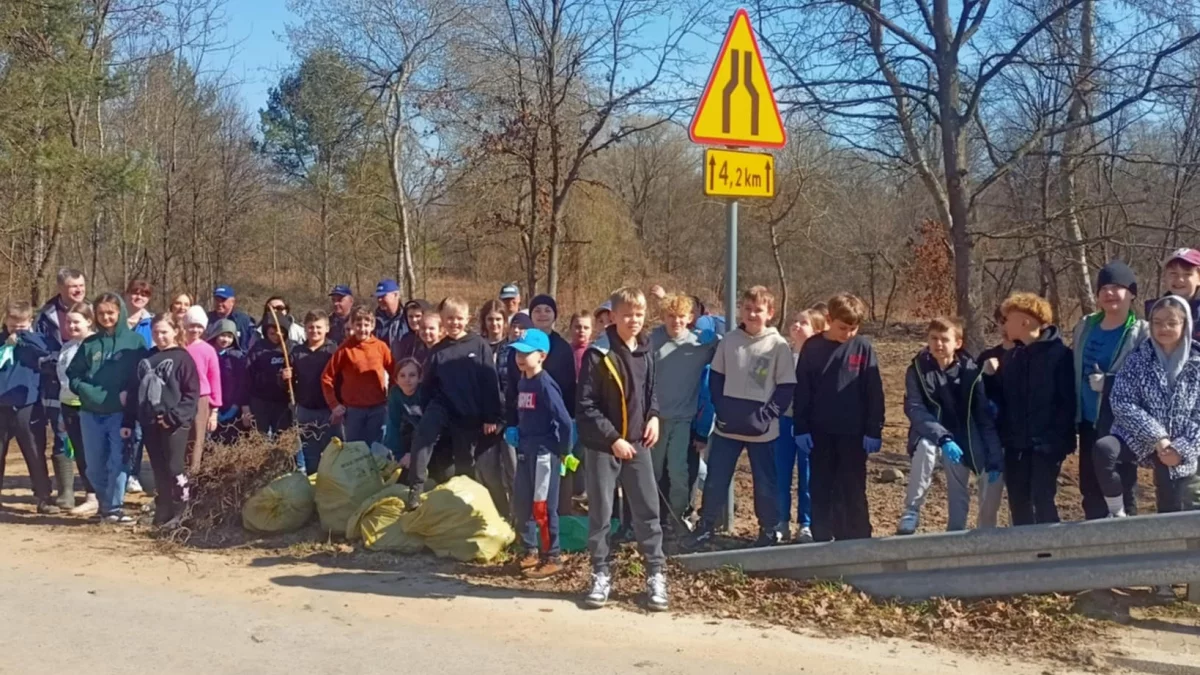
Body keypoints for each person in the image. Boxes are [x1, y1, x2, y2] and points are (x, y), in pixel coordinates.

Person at [577, 287, 666, 612]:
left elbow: (651, 392)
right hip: (604, 447)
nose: (634, 320)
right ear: (612, 317)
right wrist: (613, 438)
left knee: (647, 512)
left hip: (639, 446)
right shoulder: (597, 355)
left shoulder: (647, 348)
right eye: (627, 314)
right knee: (600, 515)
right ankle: (600, 574)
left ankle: (655, 574)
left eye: (639, 315)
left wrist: (654, 417)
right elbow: (585, 406)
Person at [692, 286, 794, 547]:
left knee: (765, 483)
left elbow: (785, 388)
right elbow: (716, 378)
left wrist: (767, 416)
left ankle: (768, 531)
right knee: (716, 479)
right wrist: (722, 409)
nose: (751, 314)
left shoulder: (778, 345)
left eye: (758, 310)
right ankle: (706, 527)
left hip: (763, 430)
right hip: (727, 427)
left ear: (769, 313)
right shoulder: (729, 340)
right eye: (747, 308)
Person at [896, 317, 1004, 535]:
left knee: (962, 484)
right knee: (925, 449)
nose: (938, 344)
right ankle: (911, 511)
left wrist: (994, 455)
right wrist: (942, 437)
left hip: (963, 434)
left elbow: (982, 416)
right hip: (930, 432)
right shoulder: (917, 370)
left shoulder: (971, 372)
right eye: (933, 338)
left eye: (944, 339)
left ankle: (958, 532)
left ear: (958, 343)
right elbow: (915, 409)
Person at [793, 293, 885, 542]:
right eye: (843, 328)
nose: (848, 334)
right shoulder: (813, 348)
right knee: (821, 486)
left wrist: (873, 428)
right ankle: (822, 538)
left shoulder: (862, 347)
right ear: (829, 320)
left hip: (853, 433)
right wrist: (800, 427)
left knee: (853, 487)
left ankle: (857, 539)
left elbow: (873, 391)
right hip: (819, 432)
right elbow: (802, 389)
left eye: (853, 329)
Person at [1103, 296, 1200, 520]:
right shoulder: (1137, 359)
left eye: (1171, 323)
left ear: (1185, 325)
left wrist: (1182, 449)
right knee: (1104, 450)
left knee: (1182, 508)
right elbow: (1122, 401)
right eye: (1157, 322)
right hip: (1149, 442)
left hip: (1186, 446)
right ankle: (1119, 515)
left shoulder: (1196, 362)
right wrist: (1158, 438)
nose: (1163, 328)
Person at [405, 297, 502, 502]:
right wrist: (427, 410)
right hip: (442, 407)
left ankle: (465, 503)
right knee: (423, 434)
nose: (454, 323)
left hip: (469, 412)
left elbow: (490, 381)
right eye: (449, 319)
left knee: (464, 462)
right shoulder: (438, 350)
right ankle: (416, 488)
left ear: (467, 319)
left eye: (459, 319)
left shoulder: (479, 345)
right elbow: (427, 384)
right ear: (442, 319)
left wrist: (491, 416)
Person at [991, 292, 1075, 525]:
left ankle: (1053, 554)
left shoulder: (1060, 356)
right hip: (1016, 447)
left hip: (1047, 447)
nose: (1005, 324)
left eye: (1008, 319)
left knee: (1042, 500)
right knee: (1019, 503)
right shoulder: (1012, 356)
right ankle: (1024, 556)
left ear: (1025, 322)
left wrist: (1053, 442)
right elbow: (1003, 400)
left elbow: (1067, 403)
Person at [1072, 261, 1148, 519]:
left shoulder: (1141, 333)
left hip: (1121, 424)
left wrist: (1110, 382)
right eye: (1104, 287)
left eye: (1118, 287)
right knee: (1090, 490)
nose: (1110, 293)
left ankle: (1129, 549)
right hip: (1088, 420)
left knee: (1121, 487)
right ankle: (1095, 553)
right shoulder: (1085, 326)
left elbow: (1146, 379)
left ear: (1132, 293)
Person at [66, 293, 147, 524]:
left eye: (110, 313)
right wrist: (85, 390)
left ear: (120, 312)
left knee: (118, 462)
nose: (106, 317)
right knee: (93, 466)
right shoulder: (90, 344)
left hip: (120, 413)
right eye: (101, 314)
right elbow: (73, 375)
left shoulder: (135, 342)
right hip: (91, 413)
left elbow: (142, 375)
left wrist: (130, 395)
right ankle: (104, 505)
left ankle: (113, 508)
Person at [508, 328, 573, 579]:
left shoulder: (545, 384)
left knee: (542, 506)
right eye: (517, 353)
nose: (520, 358)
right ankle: (529, 550)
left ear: (542, 356)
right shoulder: (523, 380)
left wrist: (564, 451)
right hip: (525, 450)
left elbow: (565, 421)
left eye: (527, 353)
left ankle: (552, 556)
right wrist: (516, 430)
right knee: (522, 502)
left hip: (545, 453)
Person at [122, 315, 199, 526]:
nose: (160, 336)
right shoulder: (147, 358)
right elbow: (134, 391)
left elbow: (191, 395)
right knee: (159, 468)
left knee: (175, 467)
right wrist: (129, 421)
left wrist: (173, 417)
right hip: (149, 422)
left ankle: (183, 509)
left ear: (175, 331)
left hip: (174, 423)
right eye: (156, 332)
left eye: (164, 332)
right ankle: (163, 507)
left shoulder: (183, 358)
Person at [650, 294, 718, 524]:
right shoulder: (652, 340)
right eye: (671, 316)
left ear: (690, 318)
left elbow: (727, 344)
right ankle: (650, 519)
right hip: (655, 419)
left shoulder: (701, 343)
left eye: (681, 316)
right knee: (652, 472)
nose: (676, 321)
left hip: (683, 420)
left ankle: (677, 518)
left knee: (678, 473)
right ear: (663, 317)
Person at [34, 268, 87, 508]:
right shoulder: (45, 316)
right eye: (73, 286)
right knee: (62, 434)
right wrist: (58, 360)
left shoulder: (91, 311)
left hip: (89, 388)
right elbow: (38, 349)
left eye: (82, 286)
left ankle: (93, 490)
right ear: (61, 289)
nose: (79, 290)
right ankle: (66, 491)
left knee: (90, 439)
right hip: (57, 387)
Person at [0, 301, 56, 513]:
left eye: (21, 325)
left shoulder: (40, 341)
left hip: (28, 405)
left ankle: (43, 496)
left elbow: (51, 358)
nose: (17, 329)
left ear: (30, 321)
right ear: (5, 320)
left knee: (34, 451)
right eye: (12, 324)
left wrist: (24, 341)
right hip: (1, 406)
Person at [775, 308, 824, 542]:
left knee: (807, 474)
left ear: (816, 330)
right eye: (795, 321)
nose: (796, 325)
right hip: (783, 421)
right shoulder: (782, 353)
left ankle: (806, 523)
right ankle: (780, 521)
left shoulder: (820, 359)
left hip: (810, 425)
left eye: (803, 323)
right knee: (780, 473)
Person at [321, 306, 393, 445]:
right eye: (358, 325)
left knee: (377, 450)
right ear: (352, 325)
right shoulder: (345, 348)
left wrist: (392, 398)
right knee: (355, 451)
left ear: (372, 326)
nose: (362, 329)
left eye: (366, 325)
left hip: (378, 408)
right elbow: (327, 377)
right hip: (354, 411)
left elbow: (395, 373)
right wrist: (334, 405)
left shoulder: (381, 347)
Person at [57, 302, 99, 515]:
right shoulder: (67, 346)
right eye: (68, 322)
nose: (71, 326)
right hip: (67, 405)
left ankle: (99, 495)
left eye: (76, 322)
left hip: (88, 406)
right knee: (79, 453)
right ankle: (90, 496)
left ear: (89, 321)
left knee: (92, 453)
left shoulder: (95, 345)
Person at [477, 299, 517, 519]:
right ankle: (502, 514)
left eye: (498, 319)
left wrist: (503, 415)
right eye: (490, 319)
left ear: (505, 321)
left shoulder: (512, 349)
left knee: (513, 471)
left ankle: (519, 519)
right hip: (483, 421)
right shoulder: (476, 346)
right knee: (488, 471)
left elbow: (512, 385)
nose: (494, 324)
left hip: (508, 418)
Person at [290, 310, 339, 473]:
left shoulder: (333, 351)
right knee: (310, 454)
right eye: (310, 327)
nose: (315, 331)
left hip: (328, 410)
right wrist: (284, 377)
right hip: (306, 410)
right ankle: (313, 487)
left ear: (327, 328)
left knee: (332, 453)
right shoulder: (297, 352)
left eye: (319, 327)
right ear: (305, 329)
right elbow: (287, 385)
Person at [181, 306, 221, 472]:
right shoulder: (179, 347)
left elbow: (215, 379)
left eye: (199, 326)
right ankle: (177, 475)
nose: (195, 330)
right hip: (179, 396)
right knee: (179, 437)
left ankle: (192, 475)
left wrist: (214, 411)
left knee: (197, 439)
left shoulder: (208, 350)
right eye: (191, 325)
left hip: (201, 399)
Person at [244, 309, 295, 438]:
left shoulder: (291, 348)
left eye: (280, 333)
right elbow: (248, 374)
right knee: (260, 436)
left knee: (282, 436)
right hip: (260, 400)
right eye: (272, 333)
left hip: (283, 402)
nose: (276, 337)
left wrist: (290, 376)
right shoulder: (258, 348)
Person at [208, 320, 249, 445]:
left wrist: (237, 406)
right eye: (222, 335)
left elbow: (242, 383)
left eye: (229, 336)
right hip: (211, 406)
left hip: (232, 407)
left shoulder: (238, 357)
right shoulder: (208, 354)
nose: (225, 339)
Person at [1145, 248, 1200, 341]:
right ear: (1165, 277)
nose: (1179, 280)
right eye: (1173, 273)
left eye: (1187, 274)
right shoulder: (1155, 309)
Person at [383, 358, 423, 462]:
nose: (407, 380)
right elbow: (393, 423)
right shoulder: (395, 393)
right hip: (411, 434)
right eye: (402, 376)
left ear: (420, 378)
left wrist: (415, 453)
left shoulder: (425, 393)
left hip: (433, 439)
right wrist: (398, 455)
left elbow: (431, 428)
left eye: (412, 375)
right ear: (396, 380)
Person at [207, 285, 256, 350]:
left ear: (232, 302)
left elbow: (251, 345)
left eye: (223, 300)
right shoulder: (206, 319)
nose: (219, 303)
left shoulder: (243, 321)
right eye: (217, 300)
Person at [374, 279, 407, 345]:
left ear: (396, 295)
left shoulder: (408, 318)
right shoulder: (374, 320)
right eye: (378, 297)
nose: (379, 300)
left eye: (383, 296)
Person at [125, 279, 155, 348]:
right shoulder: (114, 320)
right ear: (126, 294)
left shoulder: (153, 323)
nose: (139, 297)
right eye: (135, 293)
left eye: (143, 295)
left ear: (148, 299)